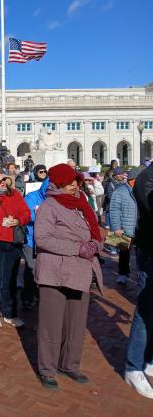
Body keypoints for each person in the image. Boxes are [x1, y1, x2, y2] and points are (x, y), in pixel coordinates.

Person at [34, 163, 103, 390]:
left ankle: (69, 365)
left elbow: (96, 231)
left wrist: (95, 243)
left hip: (81, 271)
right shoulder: (49, 206)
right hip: (55, 272)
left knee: (76, 323)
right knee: (51, 324)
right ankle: (47, 370)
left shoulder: (82, 204)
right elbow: (42, 239)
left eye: (77, 180)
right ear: (59, 183)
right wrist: (77, 248)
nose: (75, 185)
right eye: (71, 181)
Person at [0, 172, 30, 328]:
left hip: (12, 242)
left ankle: (10, 313)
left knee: (10, 280)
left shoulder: (15, 194)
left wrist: (18, 220)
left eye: (4, 180)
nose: (3, 183)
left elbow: (26, 213)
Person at [124, 161, 153, 398]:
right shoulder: (146, 179)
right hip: (150, 252)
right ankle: (133, 367)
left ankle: (149, 359)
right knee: (145, 311)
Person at [22, 178, 50, 309]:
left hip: (48, 241)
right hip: (31, 239)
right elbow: (26, 215)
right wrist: (41, 214)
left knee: (46, 270)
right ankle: (28, 297)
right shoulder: (31, 197)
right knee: (31, 269)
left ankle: (41, 295)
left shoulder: (55, 199)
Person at [109, 168, 140, 286]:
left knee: (141, 253)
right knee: (123, 252)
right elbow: (114, 210)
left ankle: (140, 273)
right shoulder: (120, 191)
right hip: (124, 227)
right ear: (133, 179)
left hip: (139, 227)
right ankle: (122, 274)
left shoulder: (142, 190)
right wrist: (116, 227)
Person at [103, 166, 126, 253]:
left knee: (121, 229)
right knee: (113, 229)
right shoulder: (111, 184)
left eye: (122, 174)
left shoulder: (124, 183)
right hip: (112, 210)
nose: (121, 175)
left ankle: (119, 247)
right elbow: (110, 196)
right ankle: (113, 249)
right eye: (119, 174)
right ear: (115, 175)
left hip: (122, 210)